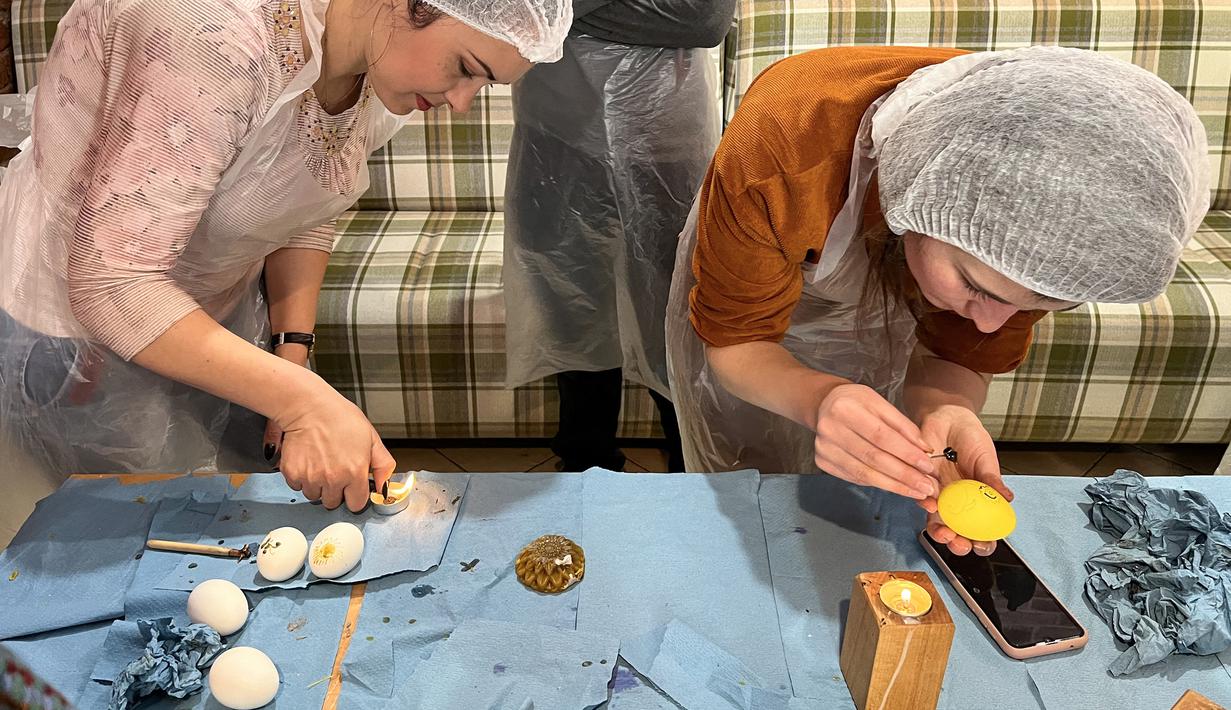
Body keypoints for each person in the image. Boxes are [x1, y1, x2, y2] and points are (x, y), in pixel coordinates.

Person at [0, 0, 571, 512]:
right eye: (468, 67)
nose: (461, 102)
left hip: (208, 326)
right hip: (75, 343)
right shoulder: (211, 31)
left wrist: (289, 355)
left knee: (218, 531)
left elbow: (300, 195)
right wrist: (303, 402)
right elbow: (111, 281)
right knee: (118, 562)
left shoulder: (374, 60)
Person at [665, 46, 1209, 554]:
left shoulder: (1055, 209)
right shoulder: (788, 139)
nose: (996, 324)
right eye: (976, 287)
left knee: (858, 481)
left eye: (1040, 303)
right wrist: (816, 399)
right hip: (764, 276)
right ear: (910, 198)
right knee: (748, 479)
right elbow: (739, 341)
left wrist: (944, 409)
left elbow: (961, 352)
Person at [502, 0, 734, 472]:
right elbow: (511, 13)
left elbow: (703, 18)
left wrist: (558, 16)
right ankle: (586, 474)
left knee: (675, 322)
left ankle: (690, 478)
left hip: (664, 141)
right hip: (555, 135)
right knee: (574, 311)